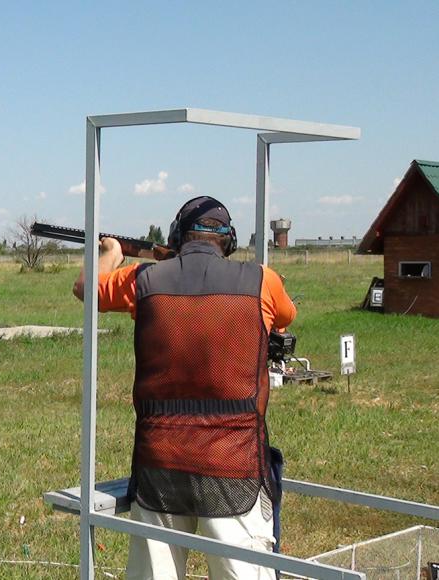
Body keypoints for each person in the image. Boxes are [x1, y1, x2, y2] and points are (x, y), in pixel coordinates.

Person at [73, 196, 296, 580]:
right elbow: (285, 316)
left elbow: (86, 288)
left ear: (177, 236)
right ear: (228, 240)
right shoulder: (262, 280)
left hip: (161, 464)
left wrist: (110, 254)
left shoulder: (144, 279)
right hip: (234, 465)